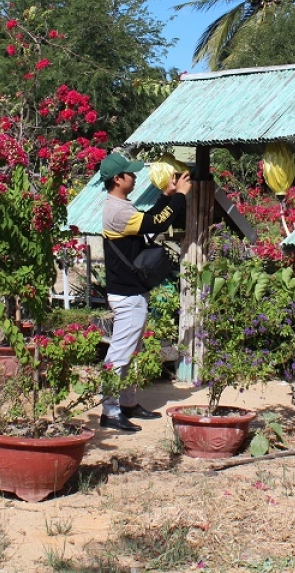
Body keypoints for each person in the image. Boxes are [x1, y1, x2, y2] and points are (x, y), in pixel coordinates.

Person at [98, 151, 191, 432]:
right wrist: (180, 196)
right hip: (127, 295)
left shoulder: (121, 205)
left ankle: (126, 403)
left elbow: (148, 219)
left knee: (130, 351)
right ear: (117, 179)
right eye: (130, 173)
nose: (135, 176)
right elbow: (157, 223)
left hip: (131, 292)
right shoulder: (116, 210)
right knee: (119, 354)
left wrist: (166, 195)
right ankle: (110, 411)